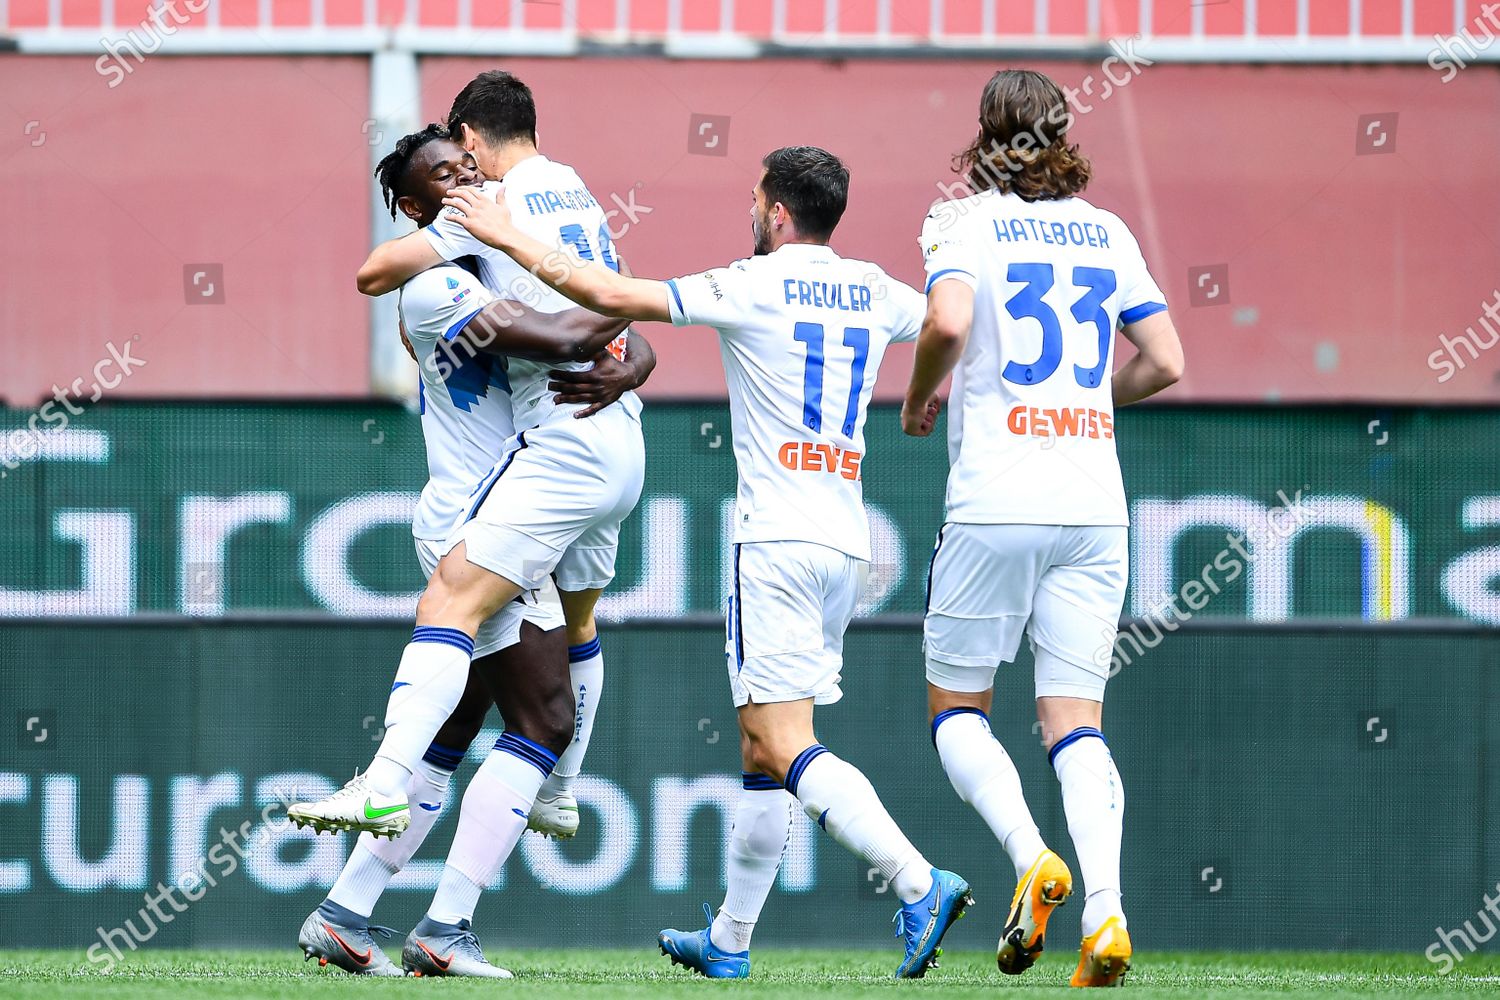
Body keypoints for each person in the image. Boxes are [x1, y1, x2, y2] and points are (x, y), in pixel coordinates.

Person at [439, 145, 972, 980]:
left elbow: (609, 296)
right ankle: (728, 940)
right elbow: (949, 322)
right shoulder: (874, 287)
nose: (750, 214)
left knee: (782, 739)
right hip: (845, 538)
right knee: (762, 751)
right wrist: (937, 319)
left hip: (774, 539)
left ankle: (917, 881)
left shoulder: (751, 282)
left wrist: (506, 235)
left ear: (777, 214)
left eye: (755, 201)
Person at [295, 124, 655, 978]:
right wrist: (638, 307)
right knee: (543, 718)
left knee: (460, 723)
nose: (467, 182)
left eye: (468, 168)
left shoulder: (491, 260)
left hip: (514, 510)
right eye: (444, 181)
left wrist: (633, 355)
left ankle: (345, 917)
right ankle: (442, 924)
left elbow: (588, 331)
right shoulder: (435, 289)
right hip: (475, 518)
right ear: (419, 212)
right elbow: (566, 335)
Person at [901, 68, 1184, 988]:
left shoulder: (961, 221)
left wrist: (918, 396)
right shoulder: (1109, 232)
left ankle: (1032, 858)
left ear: (985, 134)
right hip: (1094, 504)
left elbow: (945, 321)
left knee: (957, 711)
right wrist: (1081, 404)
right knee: (1076, 724)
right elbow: (1168, 362)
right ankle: (1106, 913)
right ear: (1062, 137)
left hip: (995, 498)